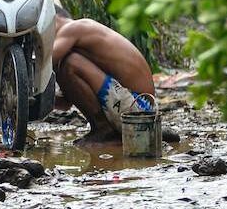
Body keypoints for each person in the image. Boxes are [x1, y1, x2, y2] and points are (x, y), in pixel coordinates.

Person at [51, 9, 157, 144]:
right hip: (139, 110)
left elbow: (43, 64)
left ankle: (104, 130)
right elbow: (65, 103)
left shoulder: (73, 28)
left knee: (70, 63)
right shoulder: (71, 43)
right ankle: (104, 130)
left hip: (139, 109)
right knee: (65, 64)